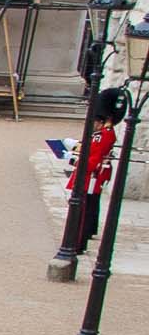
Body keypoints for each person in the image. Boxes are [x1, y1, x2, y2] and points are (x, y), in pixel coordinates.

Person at [68, 89, 124, 251]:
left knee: (84, 210)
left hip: (91, 176)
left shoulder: (103, 134)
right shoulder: (102, 133)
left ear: (101, 121)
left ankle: (77, 243)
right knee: (87, 208)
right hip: (93, 174)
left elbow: (93, 159)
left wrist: (75, 160)